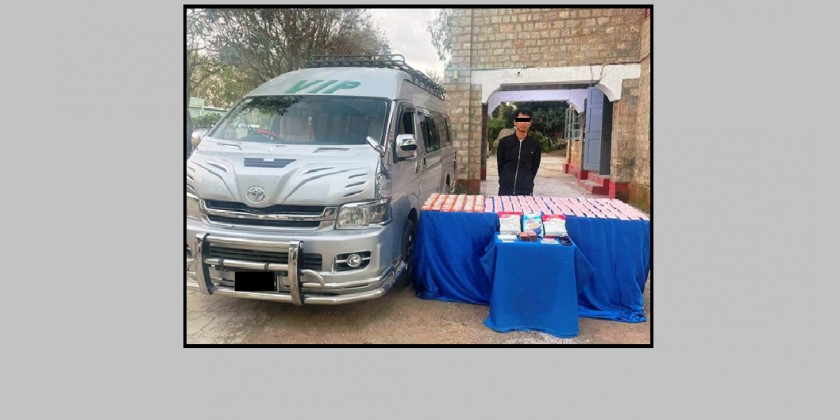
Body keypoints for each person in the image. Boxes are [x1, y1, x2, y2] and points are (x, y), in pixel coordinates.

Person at [496, 109, 541, 195]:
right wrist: (504, 179)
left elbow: (535, 167)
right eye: (520, 120)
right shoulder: (504, 142)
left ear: (530, 123)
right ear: (515, 122)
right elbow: (500, 165)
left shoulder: (535, 145)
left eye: (526, 120)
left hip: (525, 190)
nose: (523, 123)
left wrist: (528, 180)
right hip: (505, 189)